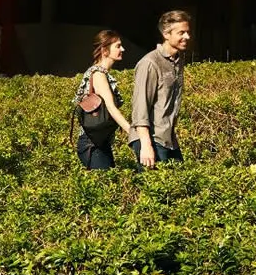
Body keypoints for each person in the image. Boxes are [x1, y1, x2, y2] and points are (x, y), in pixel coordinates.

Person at [130, 9, 191, 168]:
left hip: (169, 140)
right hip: (151, 140)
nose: (187, 37)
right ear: (166, 34)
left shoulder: (178, 60)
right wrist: (146, 145)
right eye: (181, 33)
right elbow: (140, 108)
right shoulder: (150, 63)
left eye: (187, 32)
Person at [72, 30, 134, 170]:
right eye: (118, 46)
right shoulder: (98, 75)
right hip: (93, 143)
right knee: (104, 181)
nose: (122, 49)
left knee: (109, 180)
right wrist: (132, 132)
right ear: (105, 50)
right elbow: (111, 108)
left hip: (99, 142)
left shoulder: (100, 73)